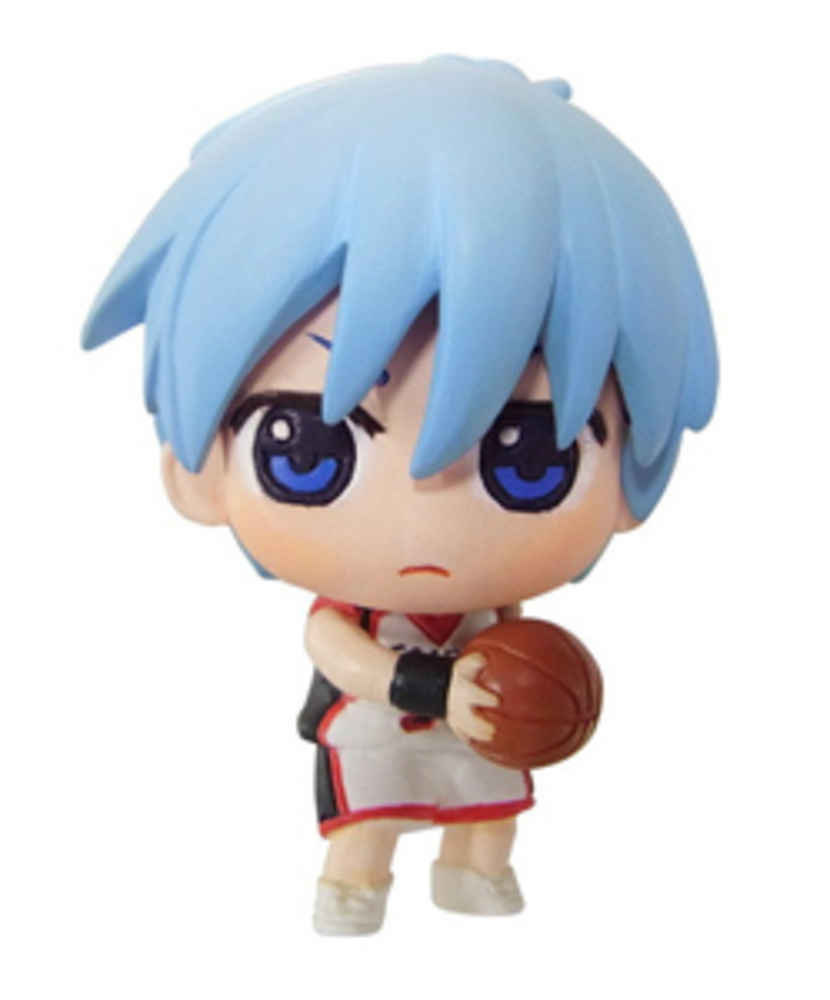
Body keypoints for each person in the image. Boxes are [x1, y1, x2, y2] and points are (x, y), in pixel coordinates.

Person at [83, 57, 718, 934]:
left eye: (531, 460)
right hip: (380, 726)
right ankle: (354, 889)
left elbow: (509, 634)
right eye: (308, 452)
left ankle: (475, 872)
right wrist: (429, 684)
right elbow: (342, 657)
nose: (425, 515)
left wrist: (523, 687)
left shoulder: (496, 610)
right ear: (196, 474)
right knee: (367, 817)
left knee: (489, 805)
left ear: (631, 482)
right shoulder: (344, 617)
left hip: (480, 726)